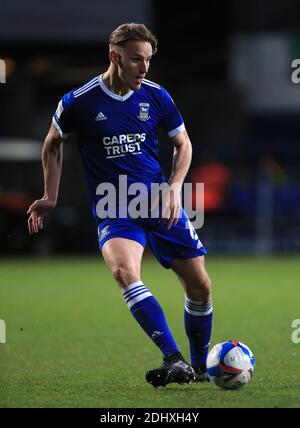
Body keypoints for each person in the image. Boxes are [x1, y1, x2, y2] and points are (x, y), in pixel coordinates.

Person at [27, 23, 213, 388]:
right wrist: (50, 196)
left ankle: (201, 368)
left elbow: (184, 144)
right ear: (114, 57)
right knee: (124, 273)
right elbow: (52, 143)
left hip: (159, 202)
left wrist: (175, 188)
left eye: (148, 60)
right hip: (115, 208)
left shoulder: (157, 96)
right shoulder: (78, 101)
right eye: (136, 60)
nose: (144, 69)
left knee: (200, 287)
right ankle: (173, 359)